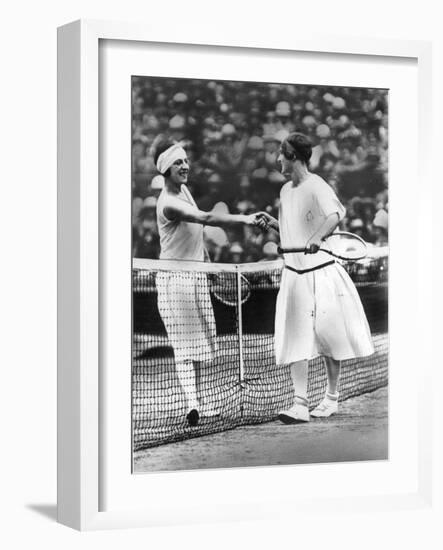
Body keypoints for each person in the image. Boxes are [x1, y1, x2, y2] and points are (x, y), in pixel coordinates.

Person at [258, 132, 374, 423]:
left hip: (321, 274)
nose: (278, 159)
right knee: (295, 337)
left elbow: (336, 214)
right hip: (294, 276)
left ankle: (331, 398)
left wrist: (317, 237)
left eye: (281, 154)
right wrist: (273, 224)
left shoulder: (317, 184)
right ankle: (300, 404)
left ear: (293, 156)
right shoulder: (285, 191)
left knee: (328, 337)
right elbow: (290, 231)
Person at [153, 139, 263, 427]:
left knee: (200, 344)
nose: (185, 166)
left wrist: (207, 263)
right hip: (174, 281)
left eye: (186, 161)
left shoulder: (185, 190)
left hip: (196, 275)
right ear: (165, 169)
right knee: (183, 345)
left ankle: (197, 403)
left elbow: (194, 232)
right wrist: (247, 219)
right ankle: (192, 403)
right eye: (178, 163)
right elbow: (205, 217)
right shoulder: (169, 203)